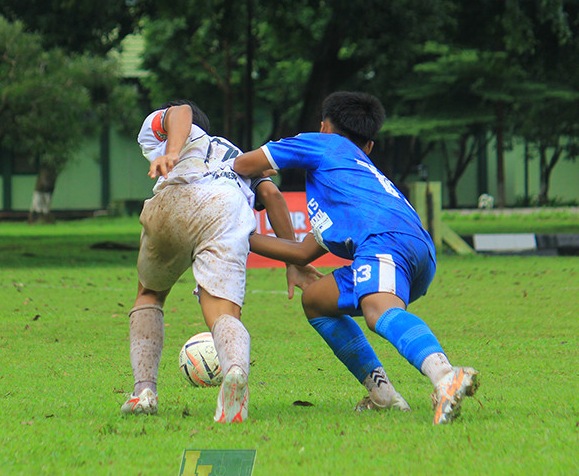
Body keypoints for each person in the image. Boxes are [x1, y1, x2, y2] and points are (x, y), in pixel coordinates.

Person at [233, 91, 479, 425]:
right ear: (369, 147)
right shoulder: (353, 178)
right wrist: (237, 238)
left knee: (378, 312)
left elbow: (242, 165)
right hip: (416, 252)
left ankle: (445, 375)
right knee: (316, 300)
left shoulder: (323, 144)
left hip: (385, 243)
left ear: (324, 127)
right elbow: (303, 252)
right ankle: (383, 395)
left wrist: (256, 178)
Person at [121, 101, 318, 423]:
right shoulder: (237, 154)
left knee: (149, 294)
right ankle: (235, 371)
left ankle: (144, 391)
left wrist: (172, 152)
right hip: (226, 209)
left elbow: (181, 111)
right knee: (223, 312)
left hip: (175, 200)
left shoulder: (166, 130)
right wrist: (293, 262)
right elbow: (272, 196)